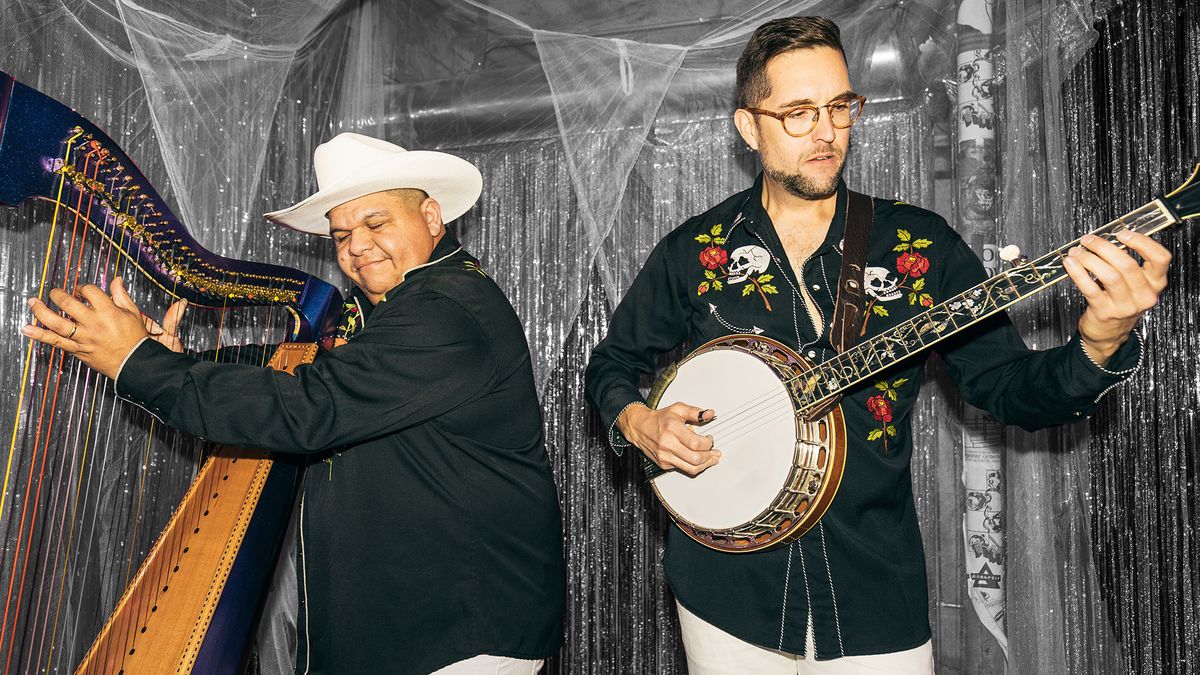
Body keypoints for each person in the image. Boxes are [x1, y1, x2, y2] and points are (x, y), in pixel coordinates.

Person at [584, 16, 1169, 674]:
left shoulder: (919, 247)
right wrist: (640, 421)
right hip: (725, 594)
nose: (828, 132)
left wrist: (1101, 337)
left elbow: (1010, 388)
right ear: (749, 127)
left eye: (840, 105)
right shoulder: (696, 252)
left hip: (872, 597)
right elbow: (612, 364)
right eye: (799, 113)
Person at [23, 133, 566, 674]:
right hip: (415, 621)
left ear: (430, 216)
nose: (356, 247)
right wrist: (173, 357)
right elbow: (312, 372)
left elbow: (308, 408)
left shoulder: (445, 309)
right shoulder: (391, 310)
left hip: (459, 630)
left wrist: (137, 364)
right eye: (342, 235)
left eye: (376, 224)